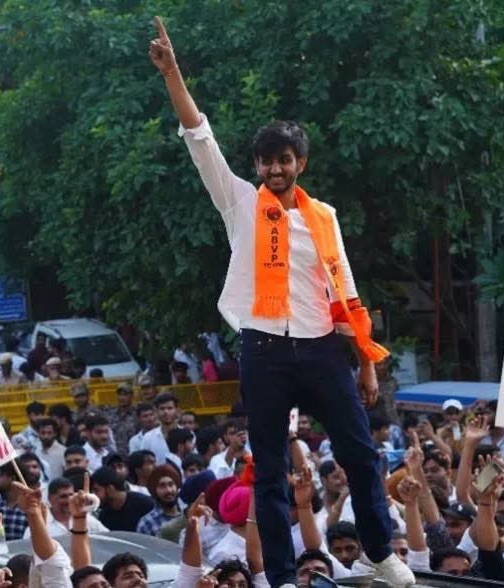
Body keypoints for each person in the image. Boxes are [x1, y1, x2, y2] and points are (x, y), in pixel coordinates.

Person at [149, 17, 414, 586]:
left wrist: (366, 363)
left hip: (322, 348)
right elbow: (200, 136)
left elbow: (344, 292)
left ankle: (378, 551)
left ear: (300, 164)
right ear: (256, 167)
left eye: (284, 160)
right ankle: (284, 578)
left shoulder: (325, 218)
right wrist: (173, 74)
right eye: (266, 161)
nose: (275, 168)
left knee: (362, 453)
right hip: (265, 350)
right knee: (267, 471)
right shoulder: (239, 203)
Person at [92, 466, 154, 532]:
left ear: (110, 489)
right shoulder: (104, 515)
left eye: (96, 490)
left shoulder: (146, 505)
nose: (94, 495)